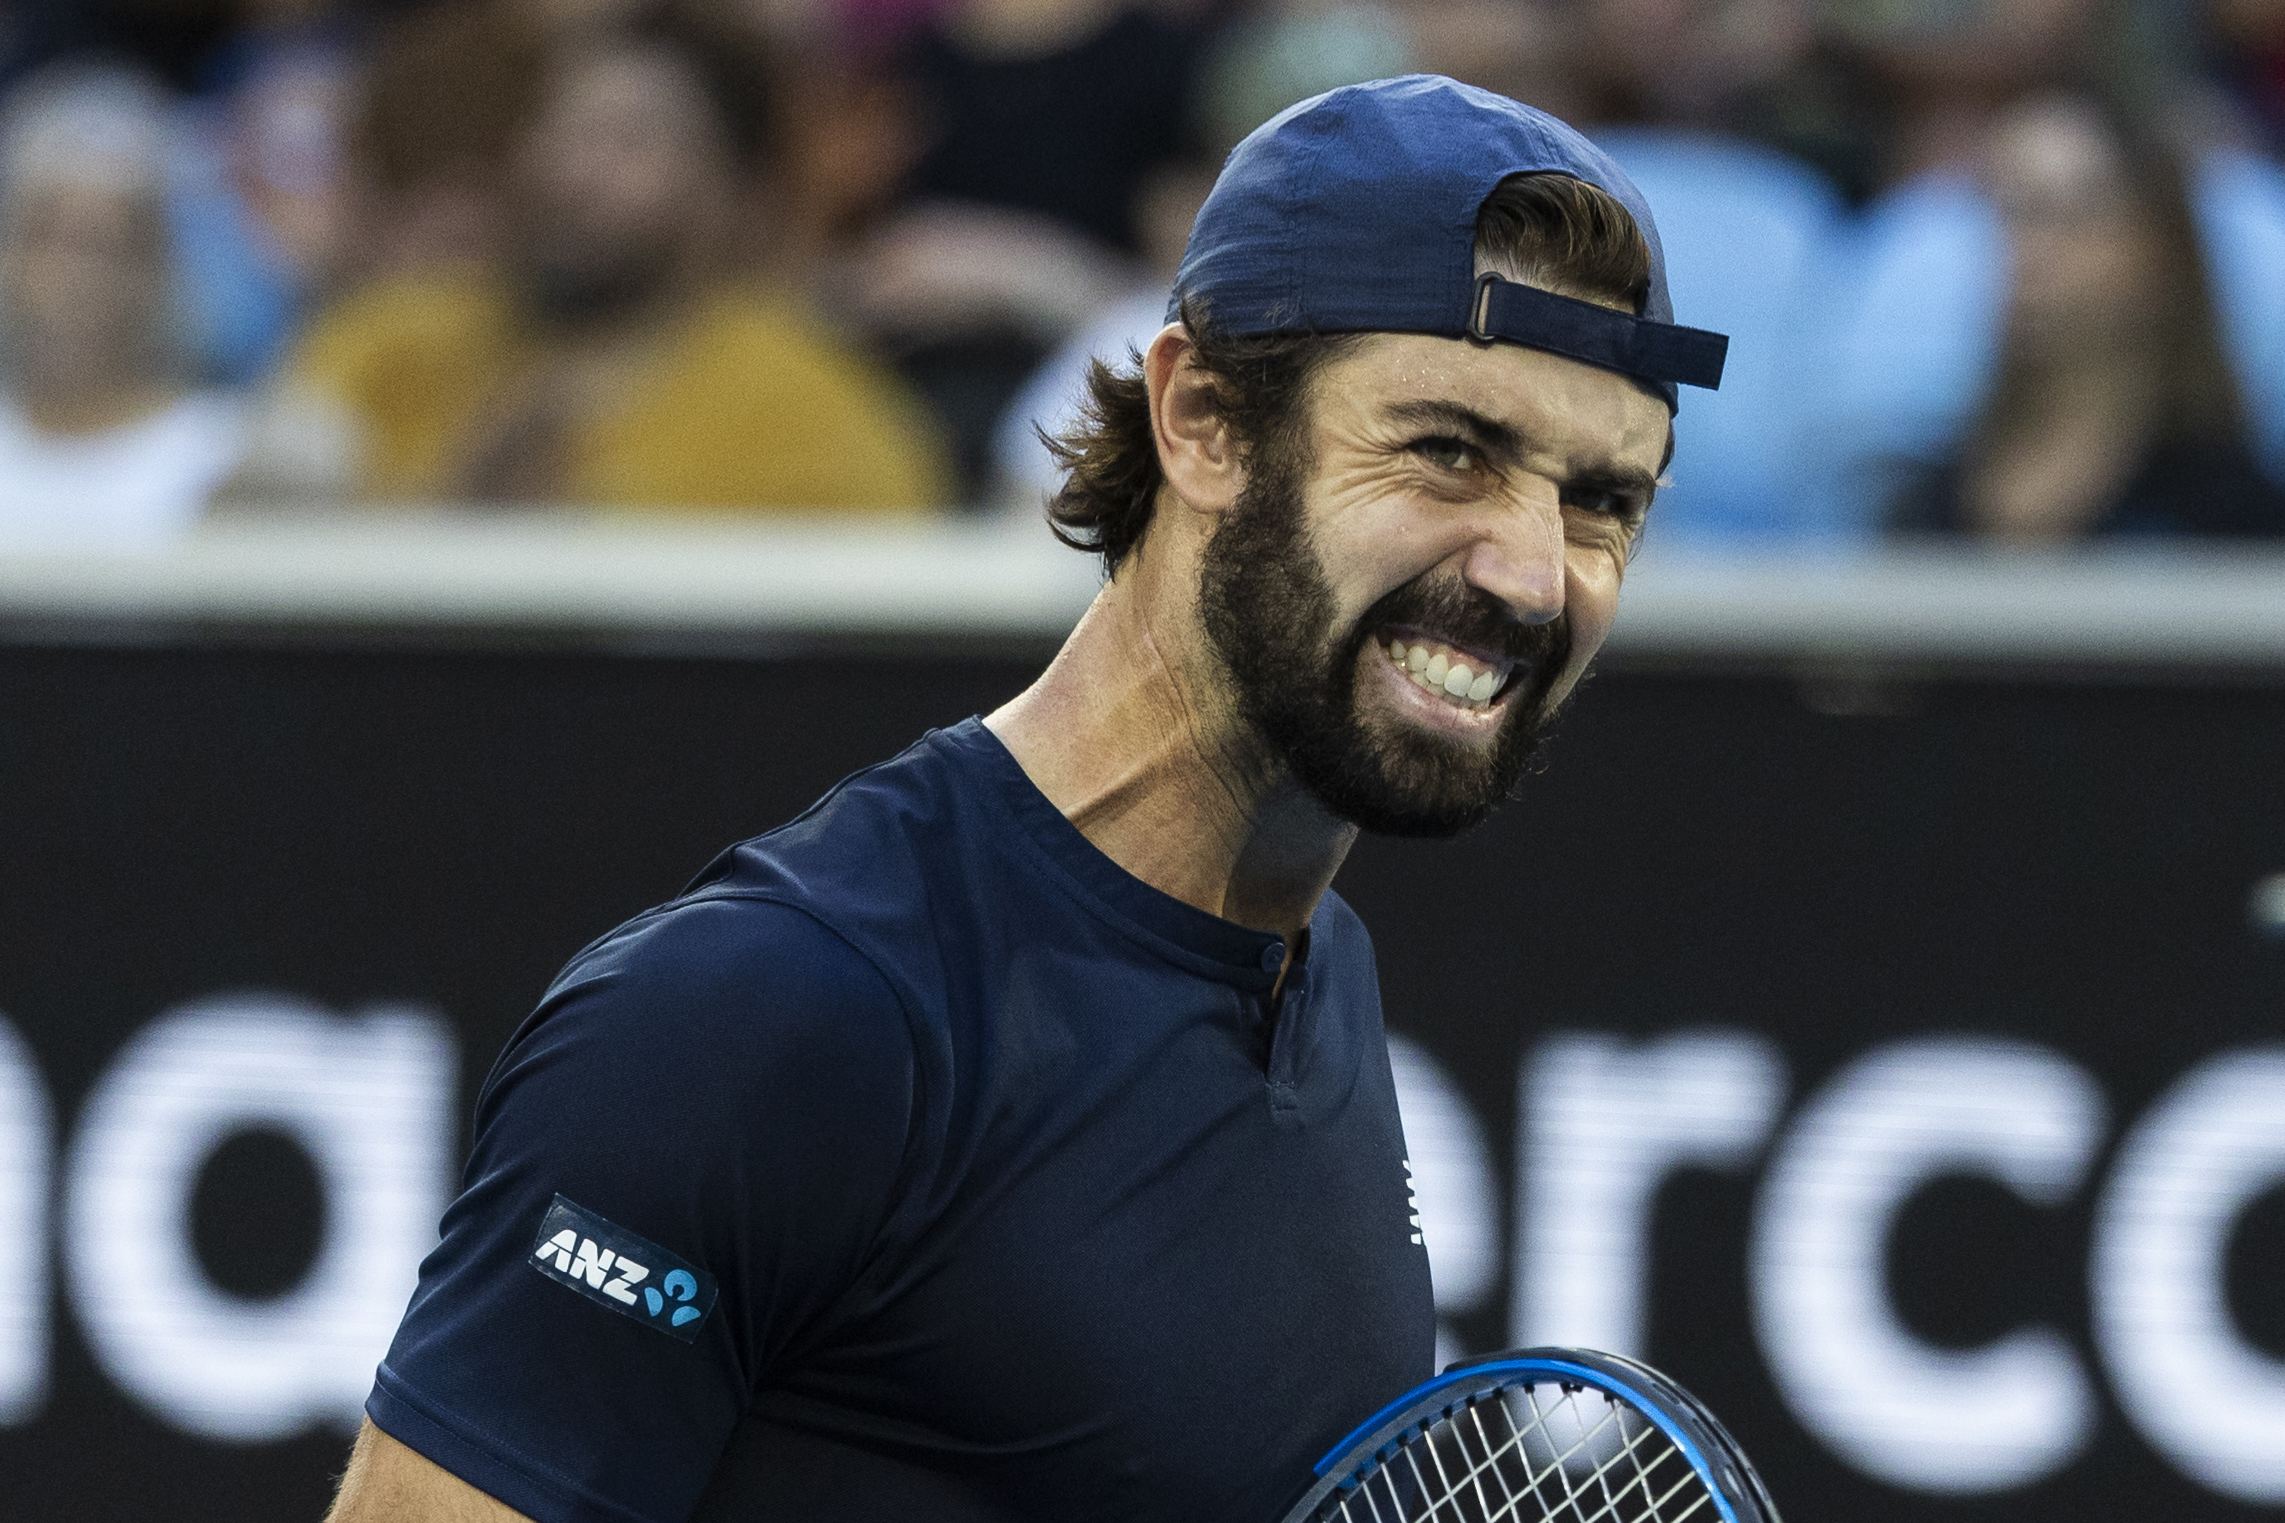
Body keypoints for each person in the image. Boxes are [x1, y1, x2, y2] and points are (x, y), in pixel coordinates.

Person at [323, 76, 1724, 1523]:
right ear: (1202, 420)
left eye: (1602, 502)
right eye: (1448, 450)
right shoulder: (767, 1012)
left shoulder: (1321, 978)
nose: (1532, 573)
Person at [248, 8, 950, 511]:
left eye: (628, 142)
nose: (573, 172)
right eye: (562, 129)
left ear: (733, 198)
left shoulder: (815, 416)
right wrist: (452, 508)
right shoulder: (388, 339)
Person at [1887, 94, 2285, 539]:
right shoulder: (1923, 502)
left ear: (2159, 246)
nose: (2026, 246)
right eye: (2008, 211)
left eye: (2065, 213)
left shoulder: (2230, 512)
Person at [0, 65, 247, 546]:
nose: (75, 275)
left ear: (156, 268)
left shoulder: (218, 454)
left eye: (103, 246)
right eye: (48, 240)